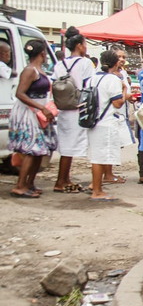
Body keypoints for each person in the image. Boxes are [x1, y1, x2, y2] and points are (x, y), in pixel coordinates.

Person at [9, 39, 57, 198]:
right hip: (29, 113)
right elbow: (20, 93)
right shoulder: (30, 70)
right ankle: (20, 185)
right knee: (31, 149)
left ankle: (30, 183)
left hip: (40, 113)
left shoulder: (39, 69)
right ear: (43, 53)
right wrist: (41, 107)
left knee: (40, 150)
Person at [84, 50, 130, 202]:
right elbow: (118, 103)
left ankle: (94, 185)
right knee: (100, 157)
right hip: (106, 122)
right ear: (116, 63)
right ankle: (97, 191)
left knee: (97, 155)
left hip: (93, 121)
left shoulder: (92, 79)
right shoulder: (112, 79)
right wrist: (124, 90)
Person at [51, 27, 94, 193]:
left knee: (66, 146)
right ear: (79, 45)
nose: (86, 47)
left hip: (63, 108)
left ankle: (65, 178)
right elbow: (89, 88)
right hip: (78, 108)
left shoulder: (59, 64)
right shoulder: (85, 63)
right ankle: (61, 181)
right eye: (85, 44)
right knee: (72, 146)